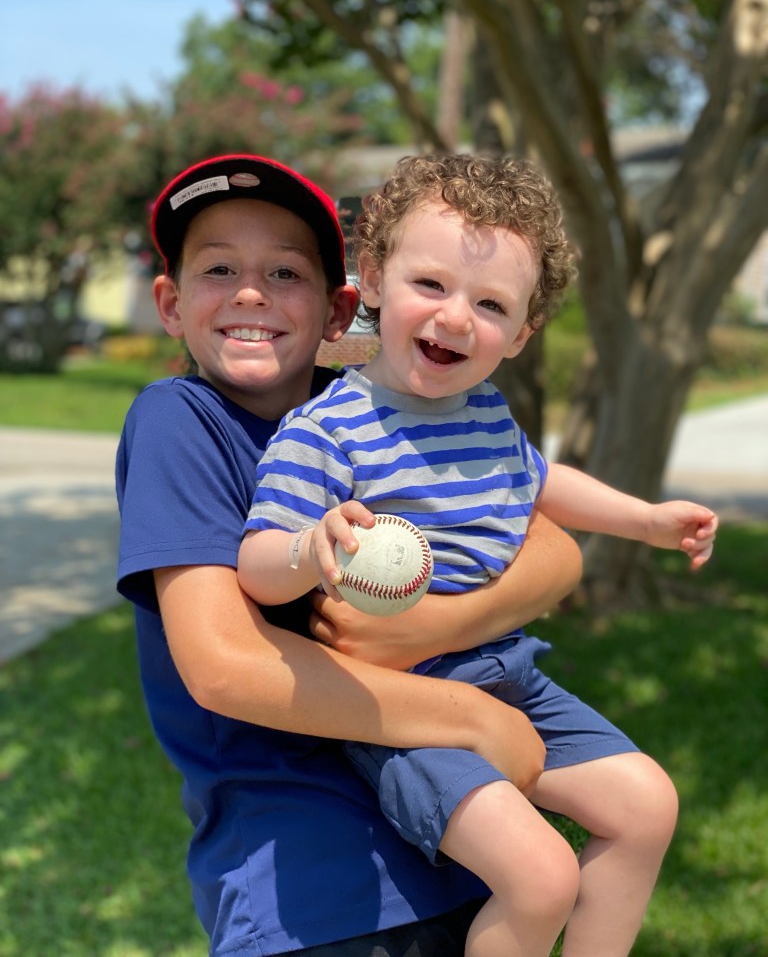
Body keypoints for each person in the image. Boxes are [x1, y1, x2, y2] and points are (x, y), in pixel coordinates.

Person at [238, 153, 718, 957]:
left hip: (507, 670)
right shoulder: (325, 431)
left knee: (646, 804)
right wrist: (309, 549)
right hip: (402, 704)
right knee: (540, 878)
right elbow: (256, 565)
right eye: (431, 284)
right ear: (374, 279)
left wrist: (646, 522)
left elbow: (542, 483)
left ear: (522, 333)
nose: (456, 317)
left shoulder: (485, 412)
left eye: (491, 303)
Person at [115, 153, 585, 957]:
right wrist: (474, 716)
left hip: (455, 840)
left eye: (285, 272)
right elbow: (224, 668)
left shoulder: (370, 414)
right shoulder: (181, 420)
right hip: (314, 878)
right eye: (219, 268)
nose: (251, 293)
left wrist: (437, 627)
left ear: (340, 310)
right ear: (170, 302)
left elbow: (554, 547)